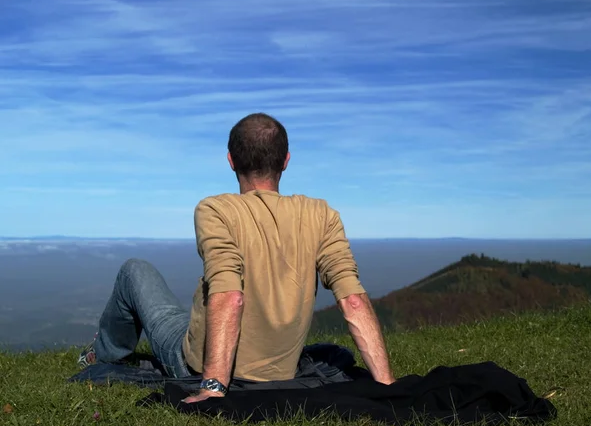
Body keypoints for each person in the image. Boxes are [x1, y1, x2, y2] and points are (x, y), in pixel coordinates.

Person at [79, 113, 395, 403]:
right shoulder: (322, 214)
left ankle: (100, 355)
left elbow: (230, 295)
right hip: (281, 370)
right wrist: (387, 385)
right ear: (285, 161)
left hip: (200, 362)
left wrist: (213, 386)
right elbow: (352, 300)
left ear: (231, 161)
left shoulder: (216, 210)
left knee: (135, 270)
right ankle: (104, 351)